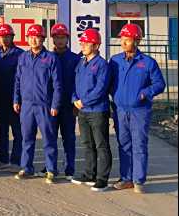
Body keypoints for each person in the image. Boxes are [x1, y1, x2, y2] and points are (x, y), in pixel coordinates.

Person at [110, 24, 166, 194]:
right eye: (122, 39)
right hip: (120, 110)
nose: (123, 42)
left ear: (137, 41)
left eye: (127, 39)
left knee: (139, 144)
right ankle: (126, 178)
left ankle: (138, 180)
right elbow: (108, 81)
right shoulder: (115, 61)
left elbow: (159, 84)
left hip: (139, 111)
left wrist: (145, 93)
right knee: (123, 144)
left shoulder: (148, 63)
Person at [13, 24, 62, 184]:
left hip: (44, 105)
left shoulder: (51, 58)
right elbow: (17, 80)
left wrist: (55, 104)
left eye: (37, 37)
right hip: (27, 105)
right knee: (27, 138)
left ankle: (51, 170)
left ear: (43, 39)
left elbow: (57, 84)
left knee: (48, 138)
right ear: (27, 39)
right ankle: (26, 168)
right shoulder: (23, 57)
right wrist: (16, 99)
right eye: (31, 37)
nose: (34, 40)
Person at [71, 29, 113, 192]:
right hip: (82, 110)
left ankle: (102, 179)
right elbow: (75, 83)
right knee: (87, 143)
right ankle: (90, 174)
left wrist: (84, 101)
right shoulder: (81, 63)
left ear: (96, 46)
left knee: (101, 144)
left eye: (86, 43)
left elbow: (101, 89)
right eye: (82, 43)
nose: (82, 46)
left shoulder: (102, 65)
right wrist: (75, 99)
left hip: (97, 111)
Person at [38, 23, 80, 180]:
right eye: (57, 37)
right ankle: (50, 166)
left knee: (69, 138)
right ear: (52, 39)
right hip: (50, 105)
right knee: (50, 137)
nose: (60, 40)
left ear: (67, 39)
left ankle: (70, 168)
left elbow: (78, 83)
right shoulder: (46, 58)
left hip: (68, 105)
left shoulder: (75, 59)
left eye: (63, 37)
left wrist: (76, 103)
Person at [0, 23, 24, 172]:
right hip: (0, 99)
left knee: (17, 132)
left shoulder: (20, 54)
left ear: (12, 37)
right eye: (1, 37)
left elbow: (22, 78)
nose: (4, 39)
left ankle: (16, 160)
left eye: (7, 36)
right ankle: (3, 159)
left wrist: (19, 99)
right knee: (2, 131)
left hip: (15, 99)